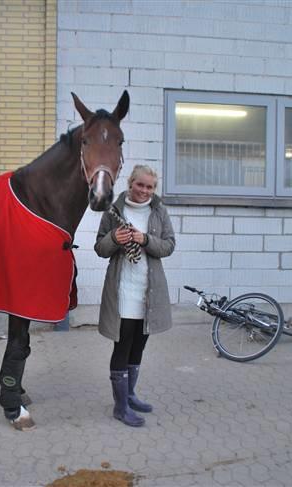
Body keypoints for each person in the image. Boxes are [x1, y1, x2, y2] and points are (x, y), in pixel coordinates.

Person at [94, 164, 175, 427]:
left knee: (139, 345)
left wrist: (146, 240)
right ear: (130, 182)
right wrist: (115, 238)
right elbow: (100, 248)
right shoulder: (113, 211)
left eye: (150, 187)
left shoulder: (159, 211)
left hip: (149, 293)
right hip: (123, 291)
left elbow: (169, 246)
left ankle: (129, 395)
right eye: (140, 184)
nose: (144, 191)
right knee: (123, 345)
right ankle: (120, 407)